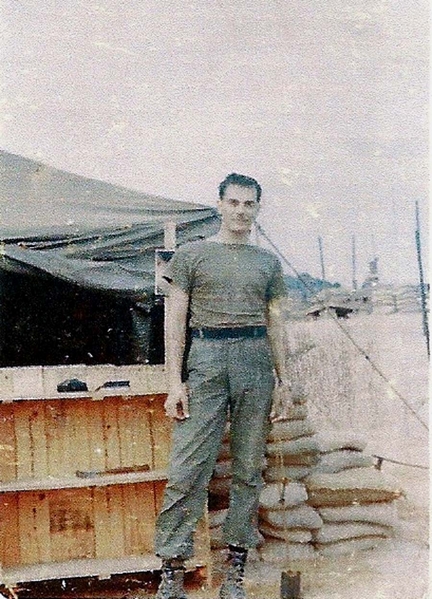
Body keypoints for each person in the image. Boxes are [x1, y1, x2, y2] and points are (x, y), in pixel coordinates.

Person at [152, 173, 292, 599]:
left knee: (249, 469)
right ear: (219, 204)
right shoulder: (193, 255)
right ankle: (172, 572)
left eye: (249, 205)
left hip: (254, 360)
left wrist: (284, 380)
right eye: (233, 202)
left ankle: (235, 572)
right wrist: (174, 382)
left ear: (257, 210)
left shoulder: (267, 263)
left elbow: (275, 323)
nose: (240, 211)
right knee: (187, 468)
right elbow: (175, 319)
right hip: (207, 357)